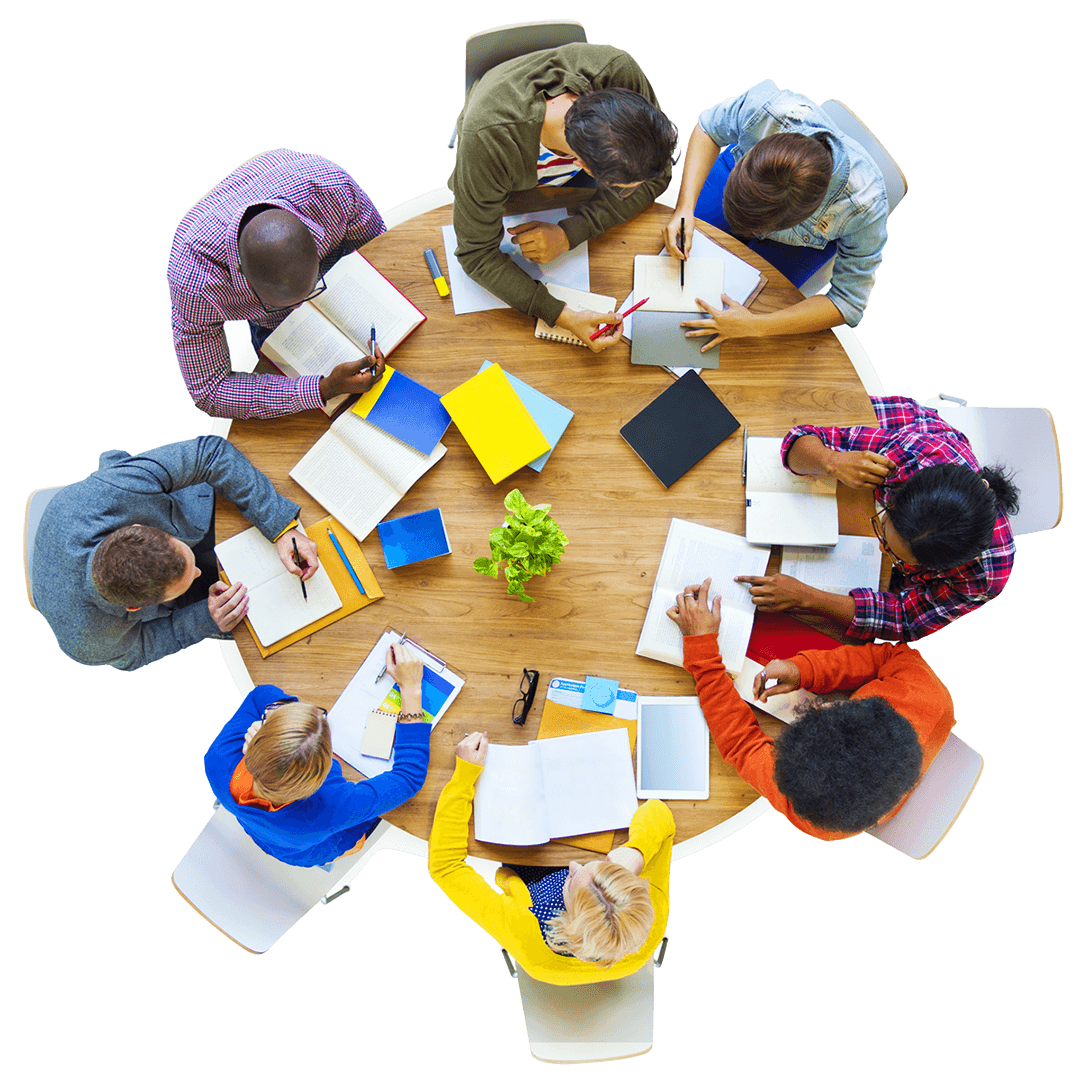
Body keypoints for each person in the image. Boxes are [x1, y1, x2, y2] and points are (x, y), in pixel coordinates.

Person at [668, 579, 956, 841]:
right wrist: (805, 669)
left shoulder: (812, 805)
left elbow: (741, 745)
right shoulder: (928, 693)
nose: (822, 702)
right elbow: (887, 656)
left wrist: (702, 650)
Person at [448, 43, 680, 353]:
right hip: (510, 187)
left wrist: (571, 233)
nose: (635, 191)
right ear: (583, 164)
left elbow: (660, 176)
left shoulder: (621, 72)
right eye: (626, 188)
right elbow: (476, 255)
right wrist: (562, 315)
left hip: (558, 189)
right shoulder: (489, 140)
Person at [735, 396, 1020, 642]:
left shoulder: (985, 576)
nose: (881, 547)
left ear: (939, 567)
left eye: (896, 555)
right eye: (883, 530)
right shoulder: (909, 454)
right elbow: (800, 435)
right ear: (897, 493)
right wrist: (831, 460)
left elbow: (906, 619)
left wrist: (808, 598)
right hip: (904, 431)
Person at [31, 435, 318, 671]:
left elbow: (210, 453)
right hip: (190, 603)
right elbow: (138, 651)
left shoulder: (117, 489)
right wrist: (206, 618)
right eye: (190, 576)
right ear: (135, 608)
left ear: (139, 525)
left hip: (194, 516)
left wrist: (281, 526)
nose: (198, 573)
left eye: (188, 565)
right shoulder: (89, 642)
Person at [428, 731, 674, 983]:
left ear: (570, 920)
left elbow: (445, 867)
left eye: (571, 881)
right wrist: (637, 852)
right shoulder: (648, 915)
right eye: (603, 866)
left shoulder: (522, 930)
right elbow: (657, 811)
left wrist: (463, 777)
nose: (573, 863)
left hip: (526, 871)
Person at [663, 79, 890, 350]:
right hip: (743, 188)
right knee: (671, 251)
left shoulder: (866, 208)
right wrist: (684, 208)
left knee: (754, 310)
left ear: (792, 221)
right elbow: (708, 128)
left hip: (803, 243)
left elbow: (848, 301)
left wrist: (755, 326)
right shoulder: (766, 110)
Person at [167, 148, 387, 420]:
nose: (303, 309)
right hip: (274, 327)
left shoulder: (332, 190)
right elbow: (209, 389)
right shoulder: (194, 282)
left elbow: (380, 252)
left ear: (313, 234)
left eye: (308, 291)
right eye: (286, 302)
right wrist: (322, 388)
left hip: (340, 276)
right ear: (241, 273)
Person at [204, 644, 430, 867]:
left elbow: (259, 695)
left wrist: (283, 722)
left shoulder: (216, 761)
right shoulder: (331, 806)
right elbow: (409, 777)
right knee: (372, 816)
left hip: (273, 839)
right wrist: (411, 689)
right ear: (325, 773)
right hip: (316, 847)